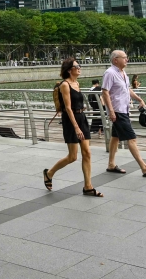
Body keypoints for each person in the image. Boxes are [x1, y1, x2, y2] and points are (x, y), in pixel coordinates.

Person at [44, 59, 103, 197]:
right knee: (72, 157)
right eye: (77, 66)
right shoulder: (65, 85)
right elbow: (68, 108)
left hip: (82, 118)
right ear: (70, 70)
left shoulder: (76, 83)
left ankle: (88, 187)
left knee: (87, 153)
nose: (79, 68)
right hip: (71, 121)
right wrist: (76, 128)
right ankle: (49, 173)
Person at [102, 50, 146, 177]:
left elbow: (127, 90)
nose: (127, 59)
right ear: (115, 59)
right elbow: (105, 92)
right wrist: (111, 111)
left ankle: (111, 164)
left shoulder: (123, 73)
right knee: (132, 138)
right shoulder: (110, 73)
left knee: (115, 137)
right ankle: (144, 167)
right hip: (117, 111)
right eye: (125, 57)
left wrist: (139, 99)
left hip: (124, 109)